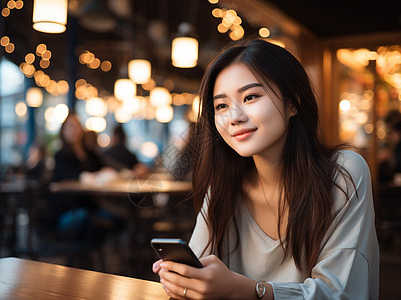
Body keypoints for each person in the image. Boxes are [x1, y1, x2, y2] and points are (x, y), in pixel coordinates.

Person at [152, 39, 379, 299]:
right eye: (221, 106)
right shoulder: (225, 184)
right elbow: (199, 268)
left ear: (293, 102)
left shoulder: (344, 172)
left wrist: (249, 290)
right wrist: (185, 281)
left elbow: (340, 292)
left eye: (250, 97)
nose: (234, 117)